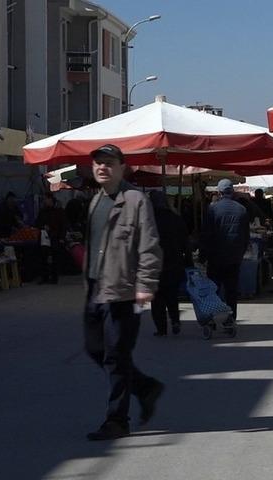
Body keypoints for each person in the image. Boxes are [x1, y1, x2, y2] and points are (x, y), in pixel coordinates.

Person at [83, 144, 164, 441]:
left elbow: (149, 245)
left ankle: (117, 420)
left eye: (108, 162)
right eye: (98, 163)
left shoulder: (135, 200)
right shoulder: (96, 201)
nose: (102, 167)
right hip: (96, 287)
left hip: (124, 291)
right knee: (95, 348)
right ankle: (145, 387)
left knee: (116, 356)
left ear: (122, 167)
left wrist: (145, 284)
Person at [201, 179, 250, 328]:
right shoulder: (241, 209)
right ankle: (231, 319)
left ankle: (212, 318)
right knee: (231, 291)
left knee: (213, 289)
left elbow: (206, 234)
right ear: (232, 191)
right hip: (234, 258)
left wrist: (203, 255)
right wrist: (240, 253)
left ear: (219, 192)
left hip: (215, 257)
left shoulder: (212, 209)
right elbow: (245, 235)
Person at [148, 191, 190, 336]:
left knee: (157, 298)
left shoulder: (149, 220)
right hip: (174, 262)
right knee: (172, 295)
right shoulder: (176, 218)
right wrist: (189, 261)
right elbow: (185, 242)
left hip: (154, 264)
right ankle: (175, 320)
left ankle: (161, 328)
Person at [35, 192, 68, 284]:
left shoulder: (59, 211)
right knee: (43, 257)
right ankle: (45, 276)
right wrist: (43, 226)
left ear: (50, 199)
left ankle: (54, 277)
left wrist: (62, 237)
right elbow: (37, 223)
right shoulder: (43, 211)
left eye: (46, 199)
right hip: (45, 237)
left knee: (55, 257)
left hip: (55, 236)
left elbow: (63, 225)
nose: (45, 201)